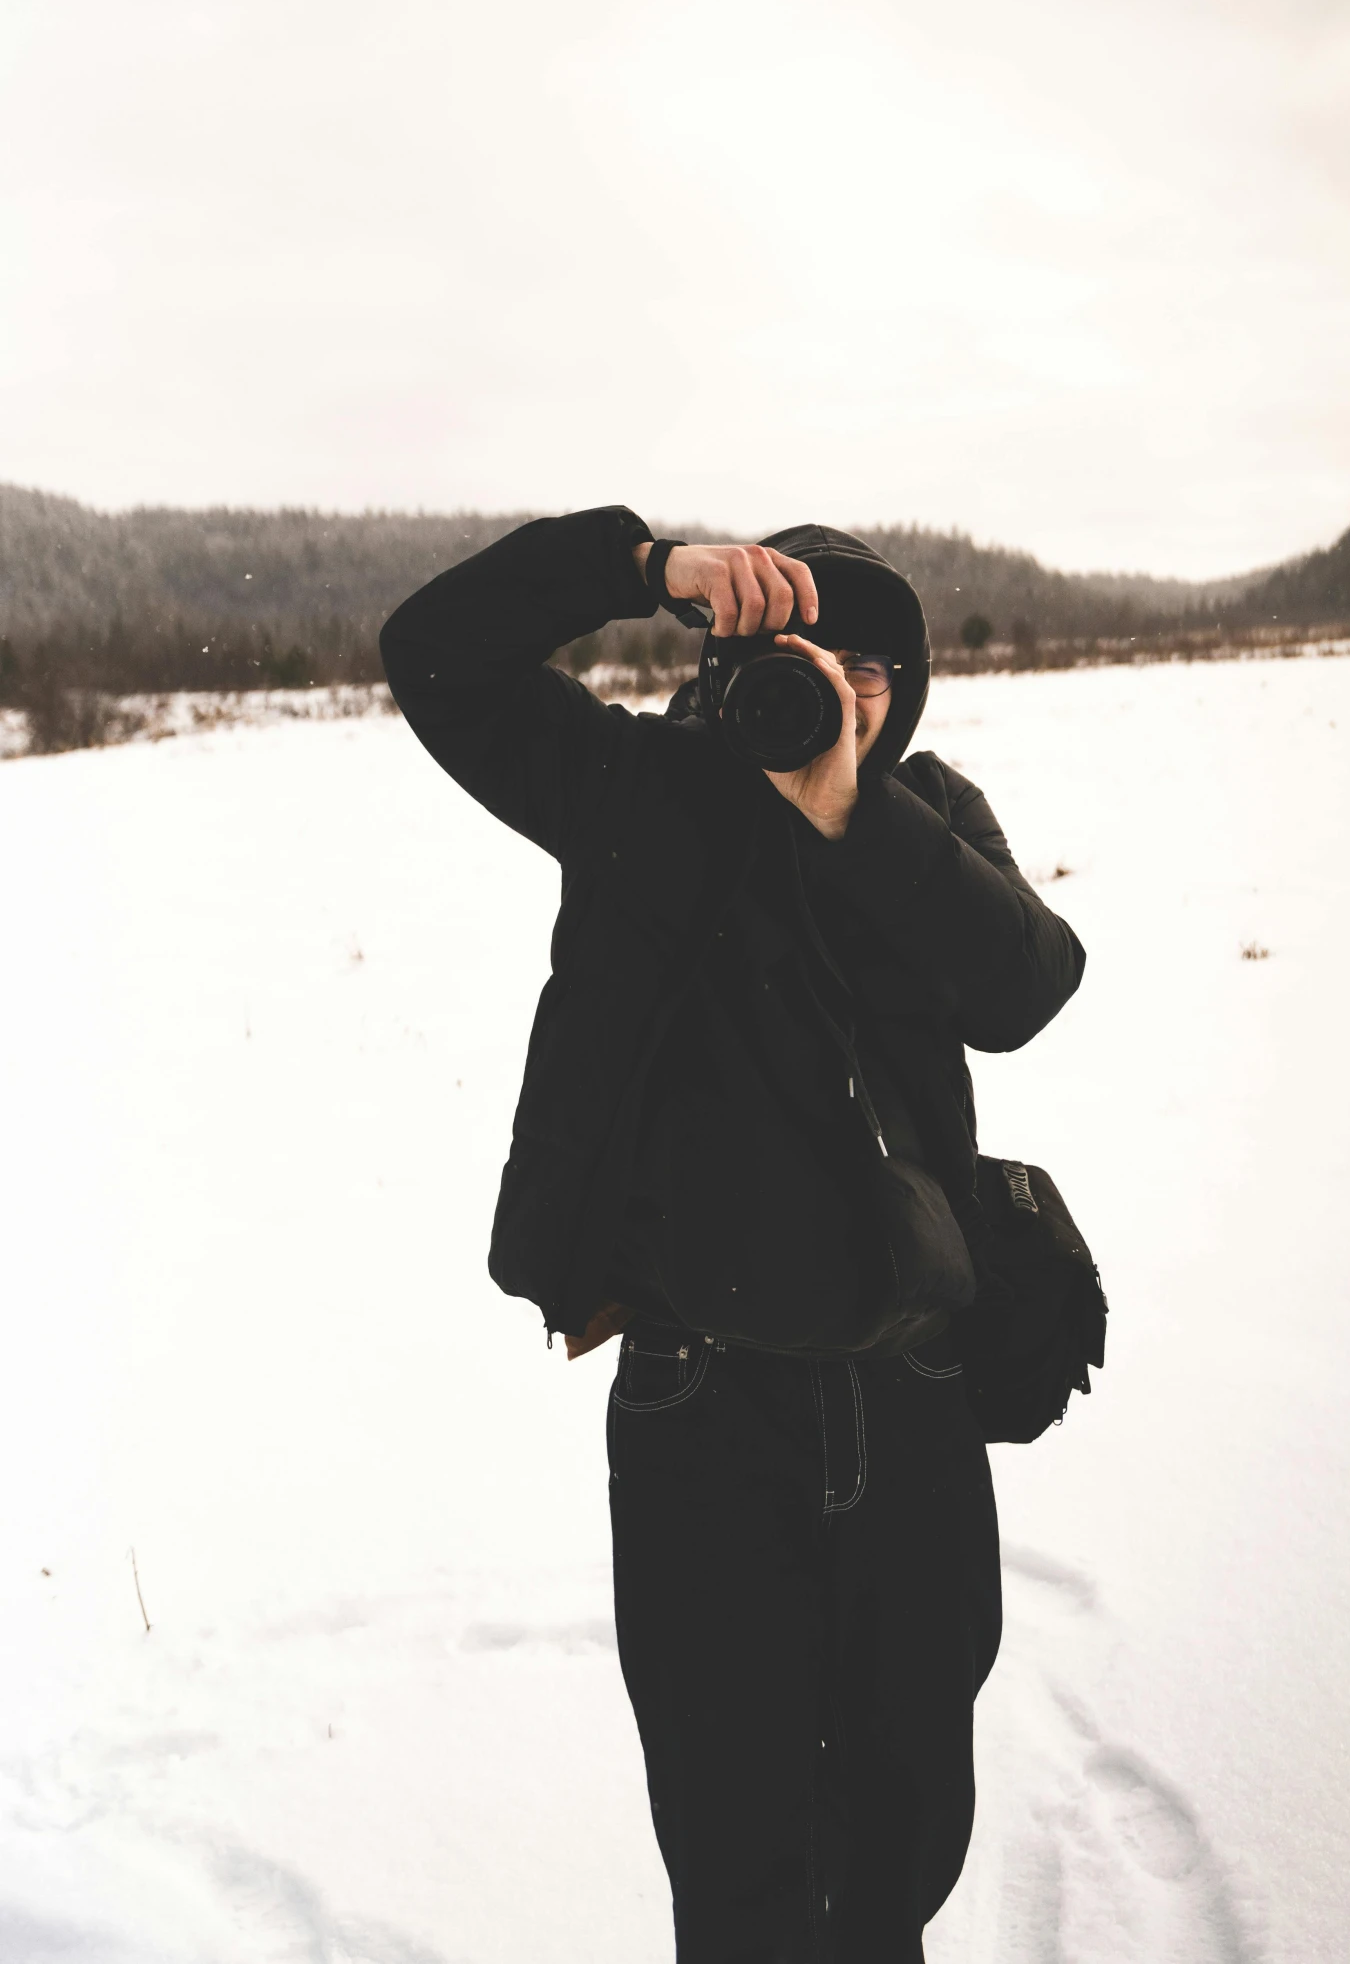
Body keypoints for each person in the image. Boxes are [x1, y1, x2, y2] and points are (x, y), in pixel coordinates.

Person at [380, 508, 1085, 1963]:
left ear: (905, 691)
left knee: (906, 1830)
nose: (841, 688)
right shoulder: (636, 790)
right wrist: (646, 570)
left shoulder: (925, 815)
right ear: (735, 657)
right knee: (737, 1852)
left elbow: (1025, 984)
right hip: (703, 1406)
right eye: (806, 653)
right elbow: (434, 657)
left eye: (872, 668)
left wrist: (848, 809)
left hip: (914, 1397)